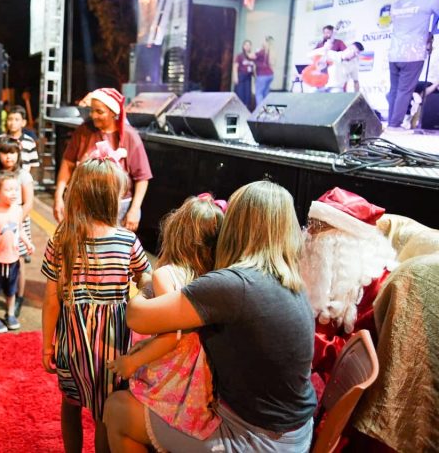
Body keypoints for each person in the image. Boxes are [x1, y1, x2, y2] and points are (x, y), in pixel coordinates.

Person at [105, 181, 317, 452]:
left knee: (116, 410)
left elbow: (137, 317)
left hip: (254, 439)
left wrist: (146, 284)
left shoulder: (233, 286)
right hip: (295, 433)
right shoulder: (291, 282)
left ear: (237, 226)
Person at [42, 151, 152, 453]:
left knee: (70, 403)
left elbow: (51, 299)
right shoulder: (127, 240)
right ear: (109, 199)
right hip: (112, 343)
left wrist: (47, 345)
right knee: (106, 411)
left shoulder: (61, 238)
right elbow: (147, 278)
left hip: (71, 341)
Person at [105, 194, 225, 441]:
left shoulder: (166, 275)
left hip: (178, 372)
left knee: (114, 409)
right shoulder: (216, 273)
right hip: (202, 371)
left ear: (177, 232)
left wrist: (132, 363)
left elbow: (172, 336)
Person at [299, 187, 396, 381]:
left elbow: (356, 355)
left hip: (332, 383)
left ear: (343, 242)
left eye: (318, 228)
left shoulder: (375, 283)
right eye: (309, 224)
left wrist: (298, 339)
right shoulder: (312, 266)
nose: (309, 234)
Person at [54, 88, 152, 232]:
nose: (93, 115)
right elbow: (68, 164)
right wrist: (58, 196)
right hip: (83, 205)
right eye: (92, 110)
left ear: (113, 113)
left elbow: (142, 177)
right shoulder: (83, 131)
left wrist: (135, 210)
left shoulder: (129, 136)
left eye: (99, 112)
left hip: (118, 208)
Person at [0, 138, 34, 316]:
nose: (9, 156)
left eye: (12, 152)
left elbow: (28, 203)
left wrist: (16, 221)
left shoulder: (24, 175)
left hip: (17, 222)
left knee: (17, 259)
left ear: (18, 154)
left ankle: (17, 297)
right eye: (4, 152)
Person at [0, 170, 35, 333]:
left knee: (11, 290)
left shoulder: (18, 210)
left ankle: (10, 314)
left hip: (13, 258)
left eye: (16, 190)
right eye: (9, 190)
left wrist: (27, 243)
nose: (14, 193)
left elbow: (20, 229)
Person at [386, 0, 439, 130]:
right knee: (404, 91)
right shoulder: (430, 1)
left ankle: (390, 124)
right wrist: (430, 35)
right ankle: (395, 125)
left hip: (394, 53)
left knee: (395, 90)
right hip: (413, 53)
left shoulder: (396, 4)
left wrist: (429, 33)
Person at [0, 105, 40, 172]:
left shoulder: (30, 142)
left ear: (23, 122)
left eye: (17, 120)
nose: (13, 123)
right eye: (10, 119)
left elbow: (34, 165)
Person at [232, 40, 256, 109]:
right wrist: (235, 77)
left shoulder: (252, 57)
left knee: (247, 96)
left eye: (249, 45)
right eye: (246, 45)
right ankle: (238, 109)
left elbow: (254, 68)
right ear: (243, 46)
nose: (247, 47)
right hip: (241, 77)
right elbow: (235, 67)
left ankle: (245, 110)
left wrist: (255, 77)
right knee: (240, 95)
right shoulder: (240, 56)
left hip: (248, 78)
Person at [254, 36, 275, 105]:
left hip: (262, 75)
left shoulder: (261, 52)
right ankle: (267, 110)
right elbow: (272, 63)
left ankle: (259, 111)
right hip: (270, 75)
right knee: (265, 93)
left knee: (259, 93)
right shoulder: (272, 51)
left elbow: (251, 56)